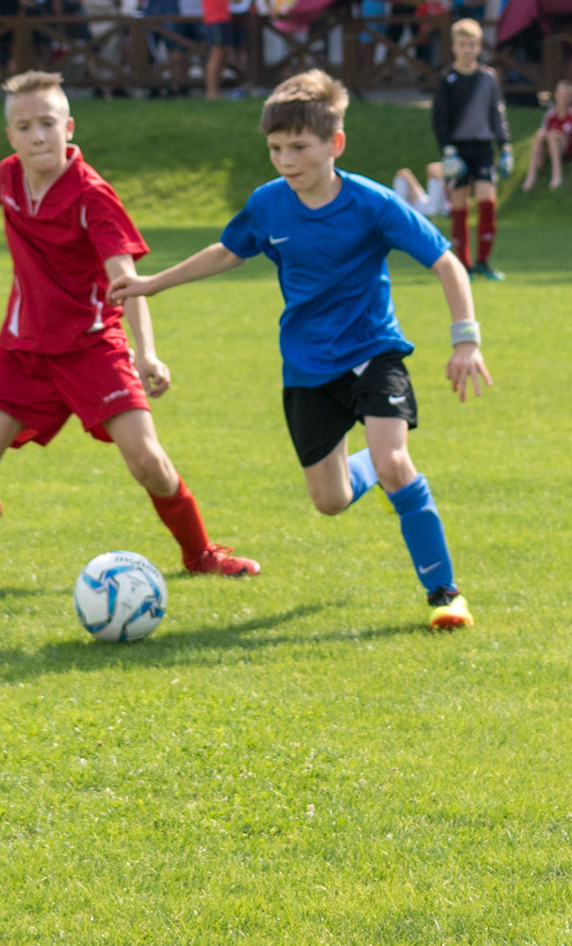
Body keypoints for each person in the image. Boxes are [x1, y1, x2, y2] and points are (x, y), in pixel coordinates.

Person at [107, 70, 488, 631]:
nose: (286, 160)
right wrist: (152, 282)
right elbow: (228, 251)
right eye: (276, 148)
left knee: (395, 460)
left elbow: (445, 261)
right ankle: (377, 470)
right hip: (306, 366)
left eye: (299, 148)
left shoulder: (372, 204)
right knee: (329, 499)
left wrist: (466, 340)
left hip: (372, 352)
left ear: (334, 144)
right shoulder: (268, 205)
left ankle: (444, 594)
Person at [0, 70, 258, 577]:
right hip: (22, 352)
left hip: (93, 348)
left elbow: (126, 281)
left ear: (69, 127)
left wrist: (147, 351)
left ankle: (201, 555)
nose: (37, 135)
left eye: (47, 122)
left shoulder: (93, 197)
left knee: (148, 462)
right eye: (24, 126)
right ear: (12, 137)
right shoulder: (10, 177)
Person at [431, 19, 511, 280]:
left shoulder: (488, 78)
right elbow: (439, 120)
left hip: (483, 148)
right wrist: (448, 151)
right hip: (458, 151)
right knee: (459, 205)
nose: (467, 49)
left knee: (487, 200)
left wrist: (506, 146)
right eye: (462, 44)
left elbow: (497, 114)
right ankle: (462, 265)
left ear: (479, 46)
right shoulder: (448, 80)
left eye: (472, 44)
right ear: (454, 47)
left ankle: (484, 262)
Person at [521, 79, 572, 192]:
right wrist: (541, 156)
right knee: (540, 133)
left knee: (553, 134)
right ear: (556, 95)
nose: (563, 98)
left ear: (571, 98)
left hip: (568, 148)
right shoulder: (550, 115)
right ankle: (531, 174)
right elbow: (543, 137)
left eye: (566, 95)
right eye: (561, 94)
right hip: (552, 145)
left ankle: (557, 175)